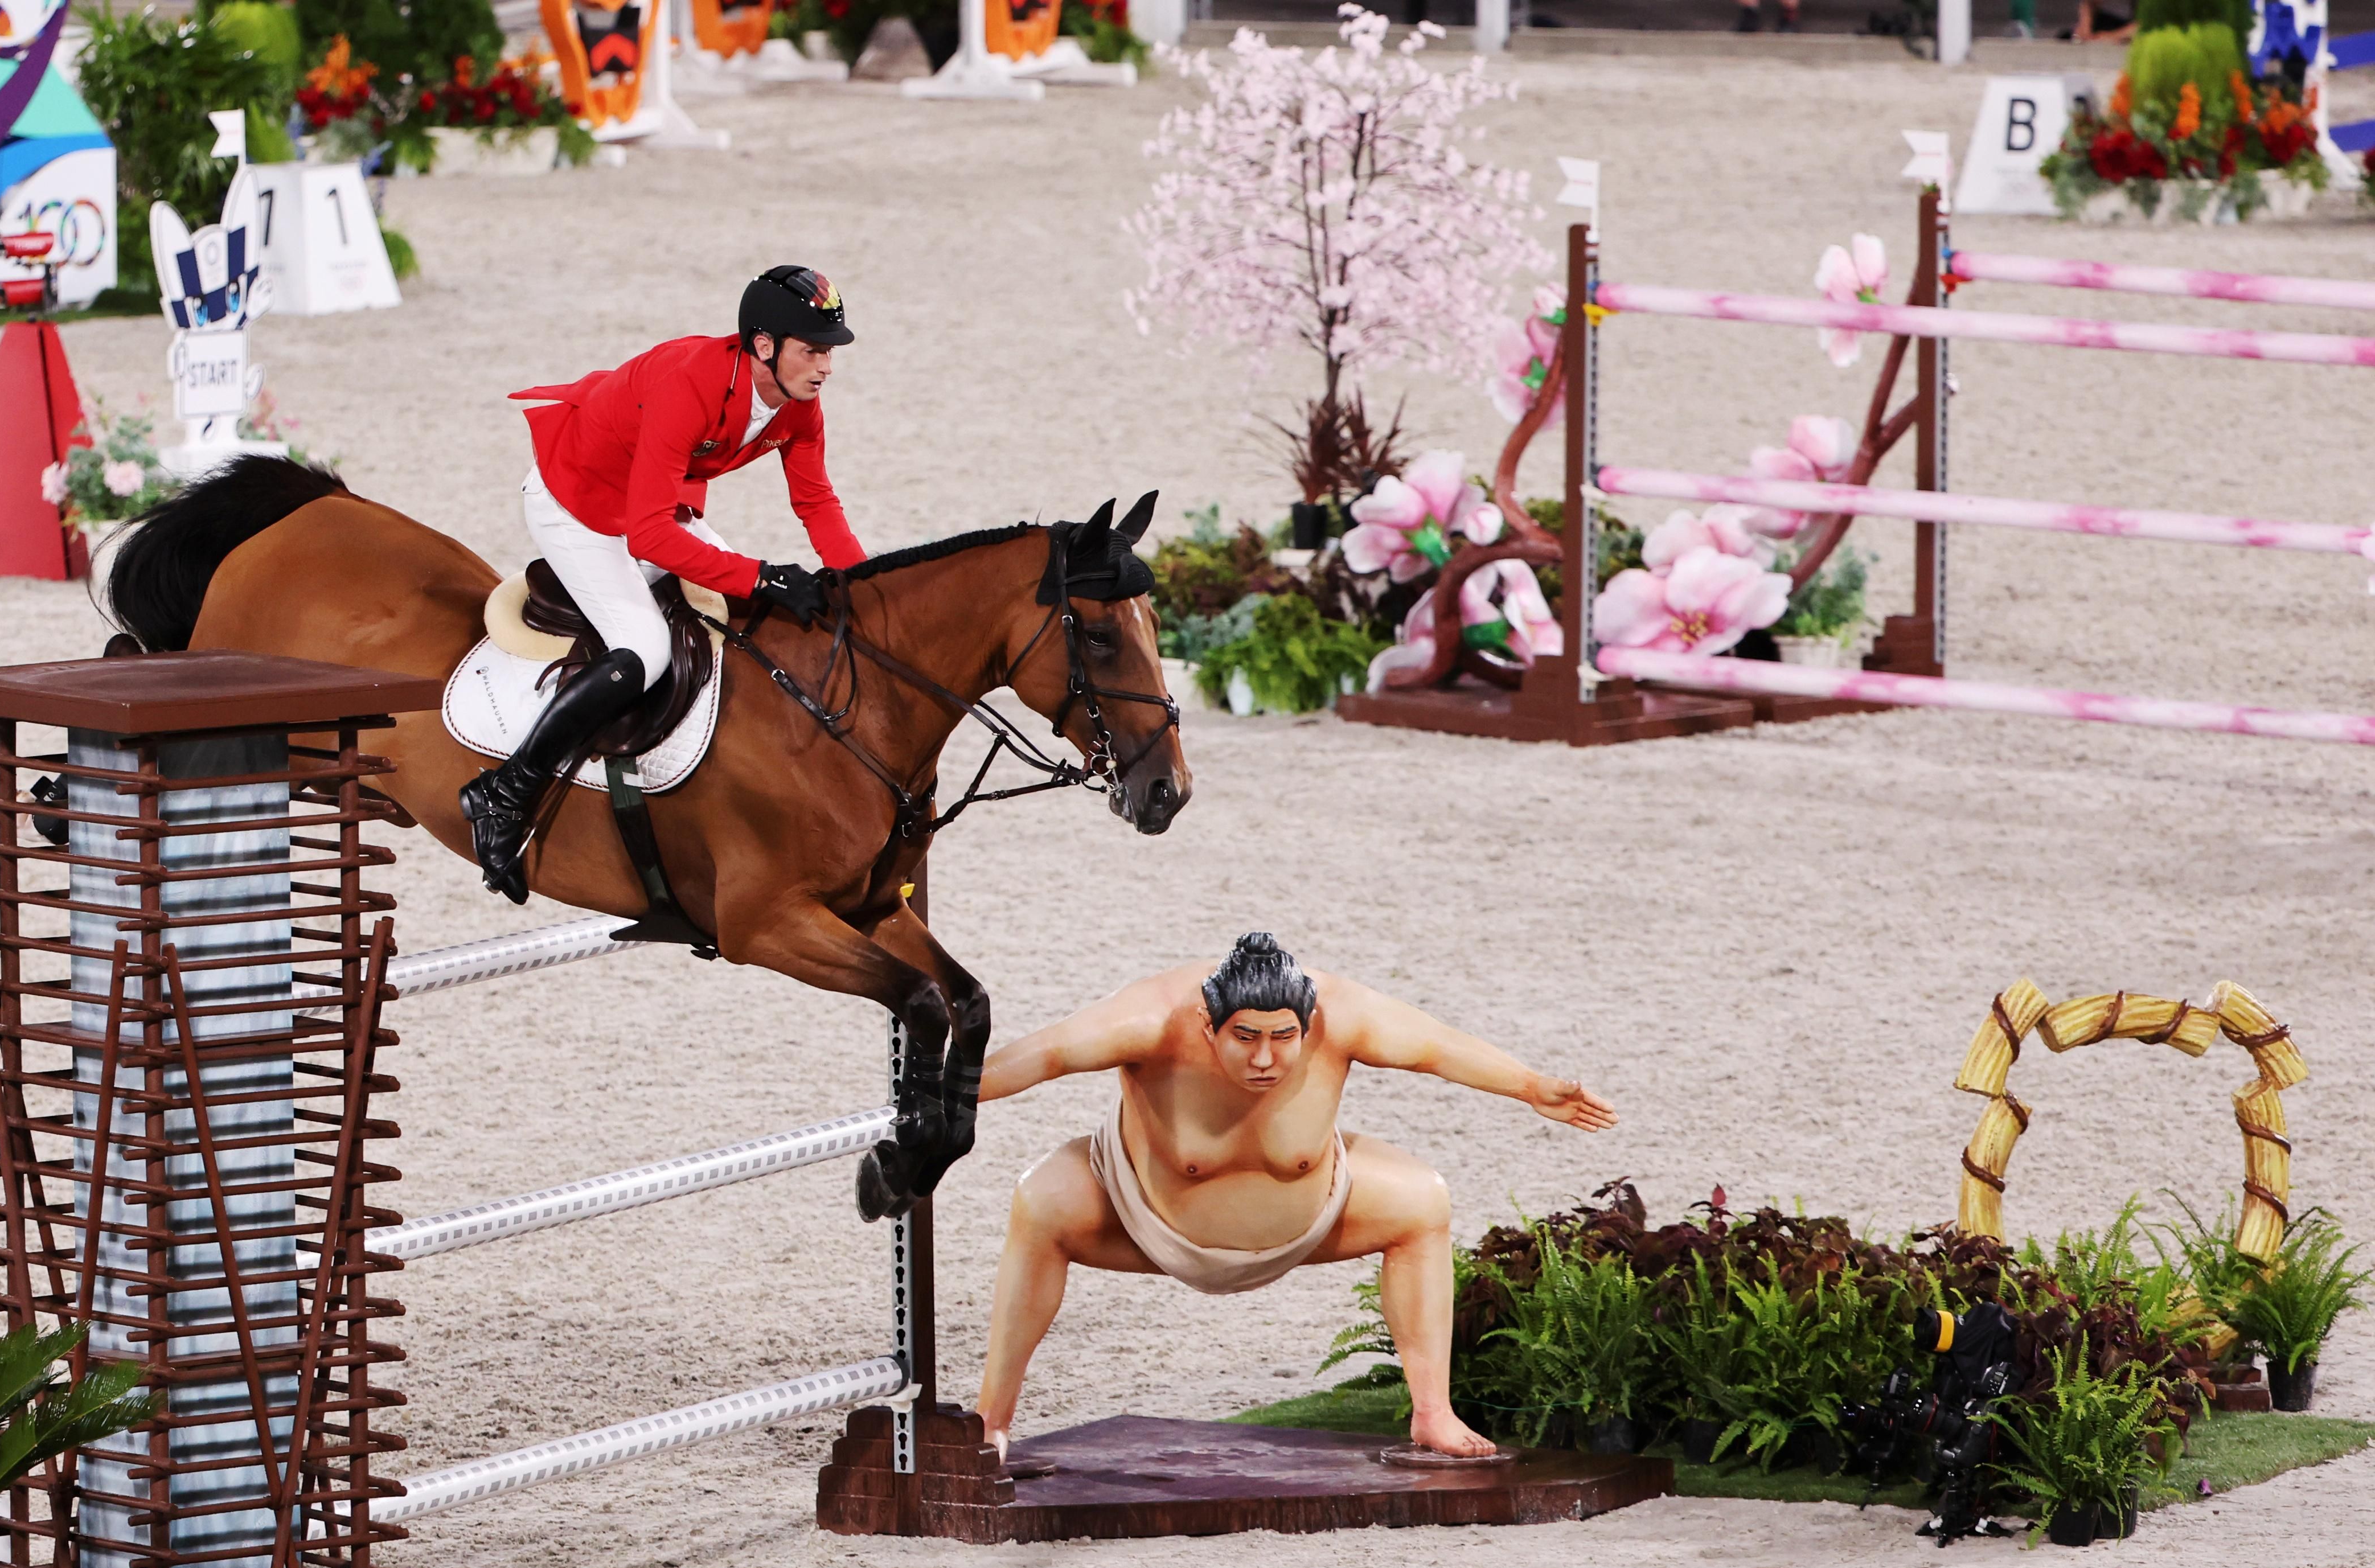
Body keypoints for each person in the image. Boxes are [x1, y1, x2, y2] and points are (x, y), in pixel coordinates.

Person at [971, 933, 1616, 1464]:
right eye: (1245, 1037)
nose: (1266, 1059)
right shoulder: (1150, 1017)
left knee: (1422, 1200)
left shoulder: (1341, 1014)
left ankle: (1433, 1414)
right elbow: (1047, 1052)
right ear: (1207, 1023)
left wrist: (1531, 1086)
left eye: (1284, 1037)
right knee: (1042, 1198)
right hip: (1145, 1223)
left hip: (1313, 1221)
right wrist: (947, 1092)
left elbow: (1437, 1048)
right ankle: (989, 1423)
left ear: (1307, 1023)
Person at [463, 265, 873, 903]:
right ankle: (506, 790)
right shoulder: (691, 384)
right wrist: (762, 575)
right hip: (579, 505)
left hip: (650, 501)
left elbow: (817, 502)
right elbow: (651, 539)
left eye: (829, 351)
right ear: (764, 345)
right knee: (646, 649)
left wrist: (864, 590)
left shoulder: (798, 407)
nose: (826, 367)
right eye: (813, 350)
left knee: (745, 611)